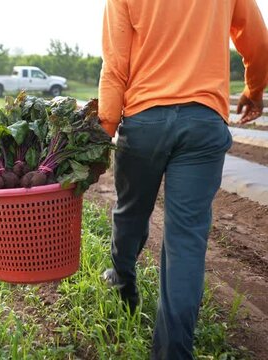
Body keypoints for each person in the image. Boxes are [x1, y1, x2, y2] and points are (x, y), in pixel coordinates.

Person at [98, 0, 268, 358]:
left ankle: (123, 282)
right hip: (203, 121)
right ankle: (174, 352)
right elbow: (257, 41)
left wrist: (106, 127)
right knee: (186, 241)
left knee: (130, 213)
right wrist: (254, 89)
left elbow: (115, 65)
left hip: (145, 121)